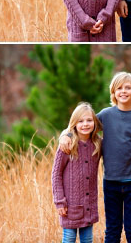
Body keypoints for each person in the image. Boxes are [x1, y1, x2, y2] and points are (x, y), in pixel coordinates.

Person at [60, 72, 131, 243]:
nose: (123, 91)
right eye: (119, 88)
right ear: (113, 92)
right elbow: (83, 123)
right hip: (110, 182)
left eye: (127, 88)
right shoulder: (105, 115)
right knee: (112, 229)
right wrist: (64, 135)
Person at [52, 103, 103, 243]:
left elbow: (117, 148)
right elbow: (56, 174)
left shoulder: (98, 144)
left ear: (94, 122)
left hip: (89, 206)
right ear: (74, 123)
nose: (85, 124)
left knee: (87, 239)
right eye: (80, 121)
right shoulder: (67, 145)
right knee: (69, 238)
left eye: (89, 120)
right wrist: (59, 202)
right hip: (69, 206)